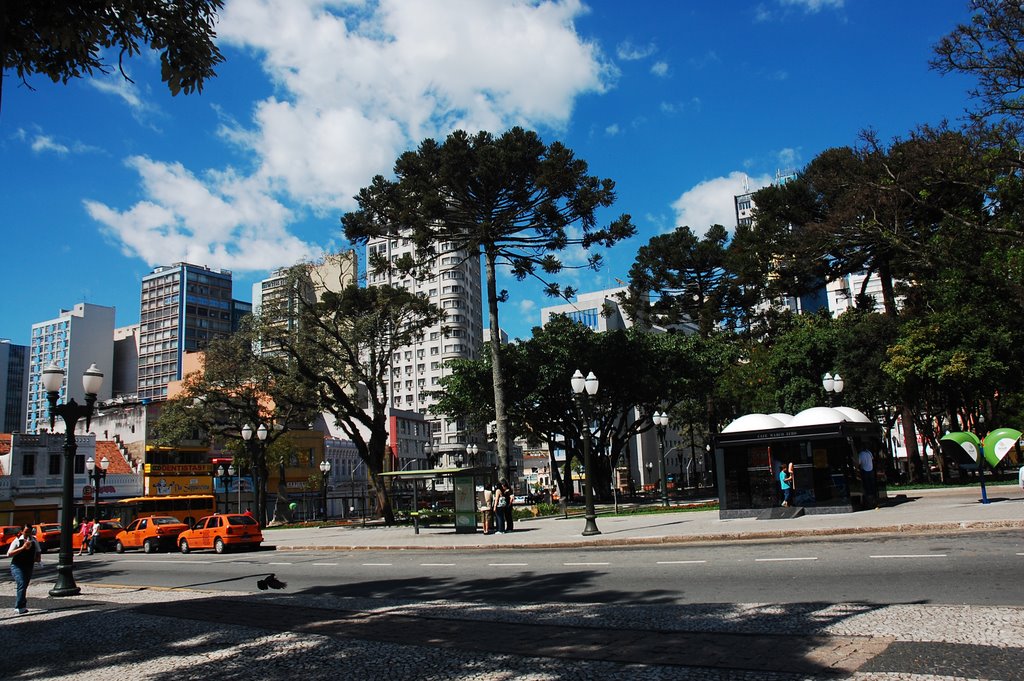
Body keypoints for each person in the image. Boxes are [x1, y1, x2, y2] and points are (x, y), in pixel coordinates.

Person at [7, 524, 41, 614]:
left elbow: (38, 551)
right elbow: (9, 553)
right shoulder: (18, 540)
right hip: (17, 566)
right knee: (21, 583)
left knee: (24, 585)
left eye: (29, 532)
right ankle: (19, 607)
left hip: (28, 565)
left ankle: (23, 605)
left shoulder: (34, 540)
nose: (28, 533)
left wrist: (37, 559)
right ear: (22, 531)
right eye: (26, 532)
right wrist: (22, 548)